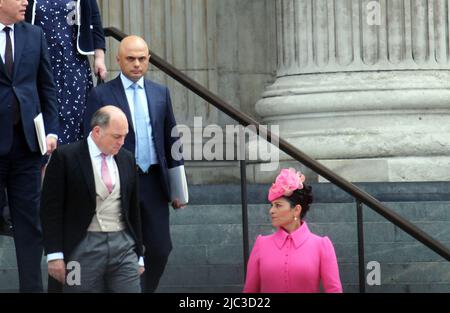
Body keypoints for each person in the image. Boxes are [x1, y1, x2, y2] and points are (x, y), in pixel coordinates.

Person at [83, 35, 188, 293]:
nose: (137, 64)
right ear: (118, 60)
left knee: (161, 248)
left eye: (142, 58)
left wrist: (178, 189)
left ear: (149, 60)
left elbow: (171, 138)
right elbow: (89, 142)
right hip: (117, 184)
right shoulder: (101, 94)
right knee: (125, 247)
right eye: (130, 58)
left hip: (153, 181)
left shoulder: (160, 93)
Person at [41, 106, 145, 293]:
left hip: (123, 245)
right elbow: (51, 209)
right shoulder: (66, 157)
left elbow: (134, 208)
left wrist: (139, 254)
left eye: (124, 135)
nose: (122, 142)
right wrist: (54, 254)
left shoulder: (127, 159)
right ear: (97, 131)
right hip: (81, 246)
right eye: (116, 136)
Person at [0, 0, 58, 292]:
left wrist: (51, 132)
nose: (26, 2)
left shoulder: (35, 35)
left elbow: (47, 87)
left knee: (29, 229)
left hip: (27, 148)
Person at [243, 168, 343, 293]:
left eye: (278, 205)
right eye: (271, 205)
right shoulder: (261, 244)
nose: (271, 211)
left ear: (296, 210)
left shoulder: (321, 245)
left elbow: (334, 290)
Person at [25, 0, 107, 145]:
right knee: (40, 112)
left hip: (73, 64)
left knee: (74, 117)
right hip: (38, 63)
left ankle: (69, 162)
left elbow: (93, 17)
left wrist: (99, 57)